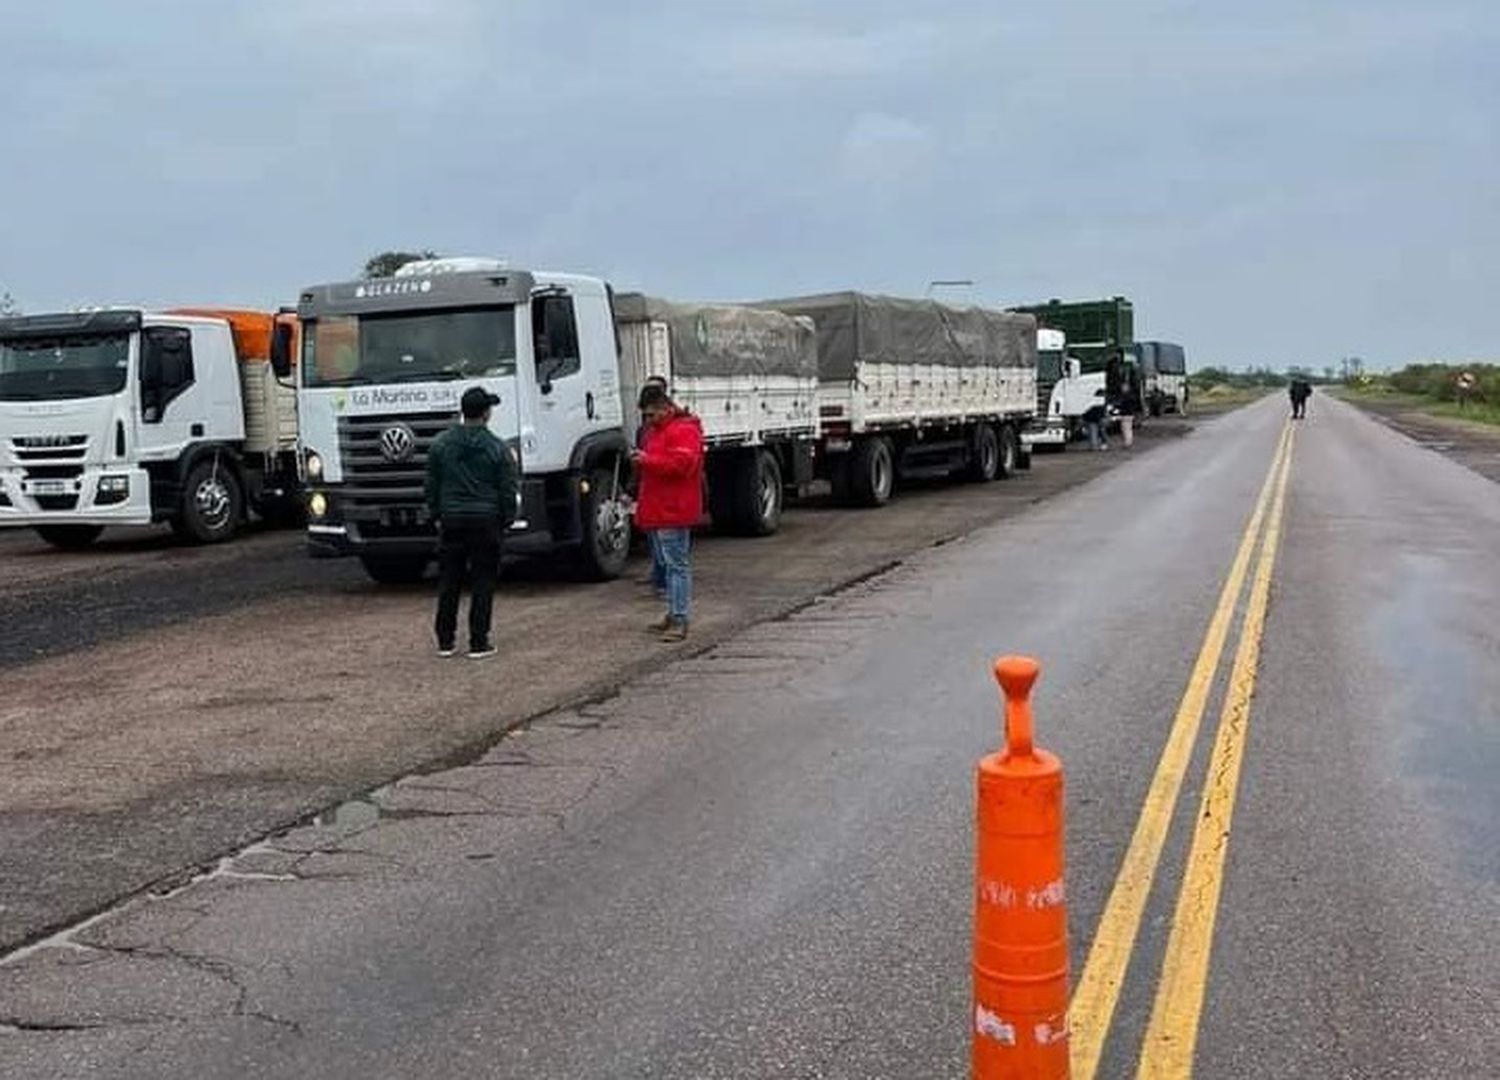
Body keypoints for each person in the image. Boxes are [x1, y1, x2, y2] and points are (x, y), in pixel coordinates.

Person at [425, 386, 519, 659]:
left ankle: (445, 640)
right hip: (486, 519)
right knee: (483, 581)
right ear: (486, 413)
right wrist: (507, 518)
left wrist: (436, 514)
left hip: (452, 519)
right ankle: (479, 641)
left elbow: (431, 484)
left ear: (462, 412)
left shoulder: (441, 445)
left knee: (449, 580)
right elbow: (506, 488)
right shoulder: (497, 448)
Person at [631, 383, 704, 642]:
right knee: (672, 564)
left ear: (665, 408)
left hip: (674, 508)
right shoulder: (660, 431)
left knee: (676, 565)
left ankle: (680, 617)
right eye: (645, 416)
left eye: (651, 414)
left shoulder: (682, 430)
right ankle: (674, 613)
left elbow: (682, 465)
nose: (648, 420)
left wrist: (646, 461)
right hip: (663, 507)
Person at [635, 376, 670, 598]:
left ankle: (664, 584)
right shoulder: (644, 431)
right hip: (649, 491)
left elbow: (676, 464)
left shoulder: (673, 430)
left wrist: (646, 460)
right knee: (654, 538)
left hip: (664, 495)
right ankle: (659, 577)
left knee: (664, 542)